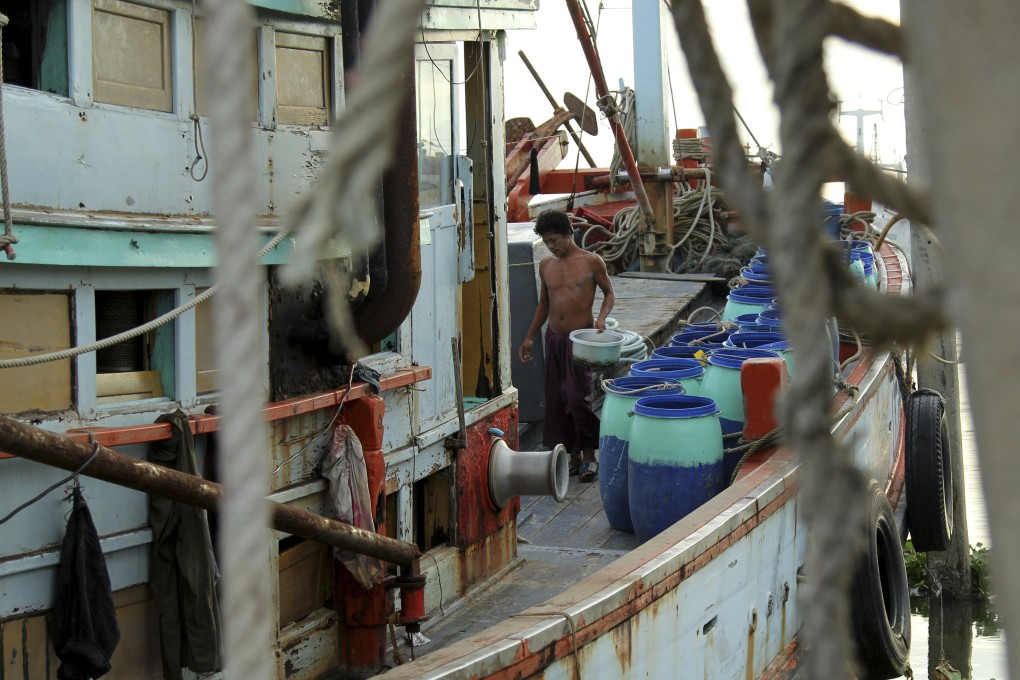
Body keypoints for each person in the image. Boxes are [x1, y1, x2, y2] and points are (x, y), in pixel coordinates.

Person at [518, 209, 615, 483]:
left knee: (576, 397)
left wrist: (601, 317)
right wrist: (528, 337)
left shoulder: (592, 261)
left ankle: (588, 455)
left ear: (568, 234)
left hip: (579, 340)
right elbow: (544, 304)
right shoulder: (545, 265)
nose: (551, 246)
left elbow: (609, 293)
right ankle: (572, 458)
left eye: (554, 240)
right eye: (547, 242)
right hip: (553, 339)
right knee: (557, 400)